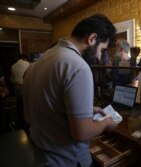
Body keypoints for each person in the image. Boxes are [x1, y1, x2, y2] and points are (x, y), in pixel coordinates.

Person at [22, 14, 118, 167]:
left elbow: (40, 106)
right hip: (67, 160)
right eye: (102, 50)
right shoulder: (78, 66)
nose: (100, 57)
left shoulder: (39, 61)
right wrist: (106, 123)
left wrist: (85, 109)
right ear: (92, 38)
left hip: (40, 154)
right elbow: (82, 133)